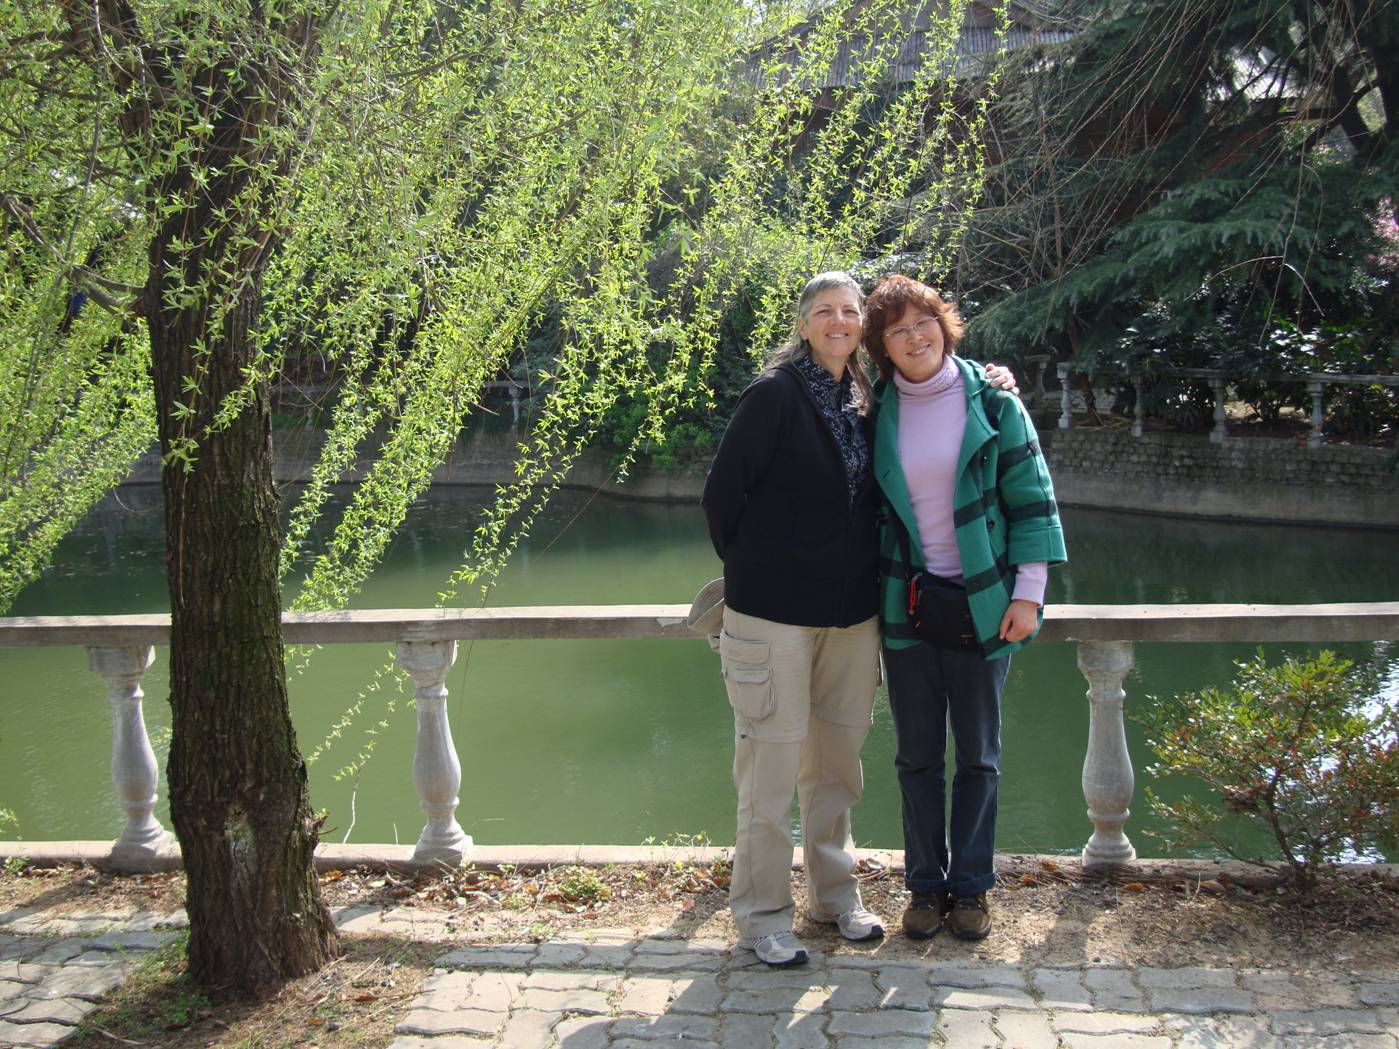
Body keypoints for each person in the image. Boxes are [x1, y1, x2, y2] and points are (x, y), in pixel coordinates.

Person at [700, 271, 1018, 967]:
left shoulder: (865, 398)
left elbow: (945, 399)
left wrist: (993, 379)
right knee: (770, 768)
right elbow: (721, 497)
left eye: (849, 310)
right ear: (804, 323)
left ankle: (832, 896)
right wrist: (763, 575)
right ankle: (760, 916)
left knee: (835, 767)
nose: (838, 321)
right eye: (824, 312)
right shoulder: (773, 395)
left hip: (850, 616)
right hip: (773, 617)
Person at [862, 274, 1066, 942]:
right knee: (916, 755)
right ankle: (923, 887)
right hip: (908, 603)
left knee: (978, 754)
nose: (913, 336)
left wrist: (1028, 592)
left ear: (944, 324)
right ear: (882, 348)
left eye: (922, 321)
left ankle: (971, 889)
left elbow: (1030, 497)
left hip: (986, 602)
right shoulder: (876, 408)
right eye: (896, 330)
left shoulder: (994, 403)